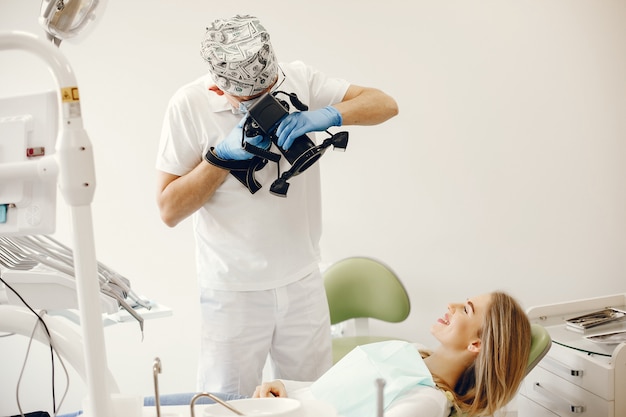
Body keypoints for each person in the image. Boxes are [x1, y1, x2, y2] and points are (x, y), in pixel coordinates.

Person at [155, 14, 399, 396]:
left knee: (314, 397)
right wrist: (218, 159)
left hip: (302, 280)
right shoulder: (188, 105)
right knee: (227, 405)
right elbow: (169, 209)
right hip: (232, 291)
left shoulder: (297, 78)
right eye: (252, 100)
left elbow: (385, 104)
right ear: (220, 90)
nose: (266, 104)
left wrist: (330, 114)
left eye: (270, 91)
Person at [253, 291, 532, 417]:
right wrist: (285, 387)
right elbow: (328, 389)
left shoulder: (427, 400)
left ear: (476, 345)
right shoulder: (412, 351)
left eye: (466, 309)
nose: (452, 304)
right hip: (275, 406)